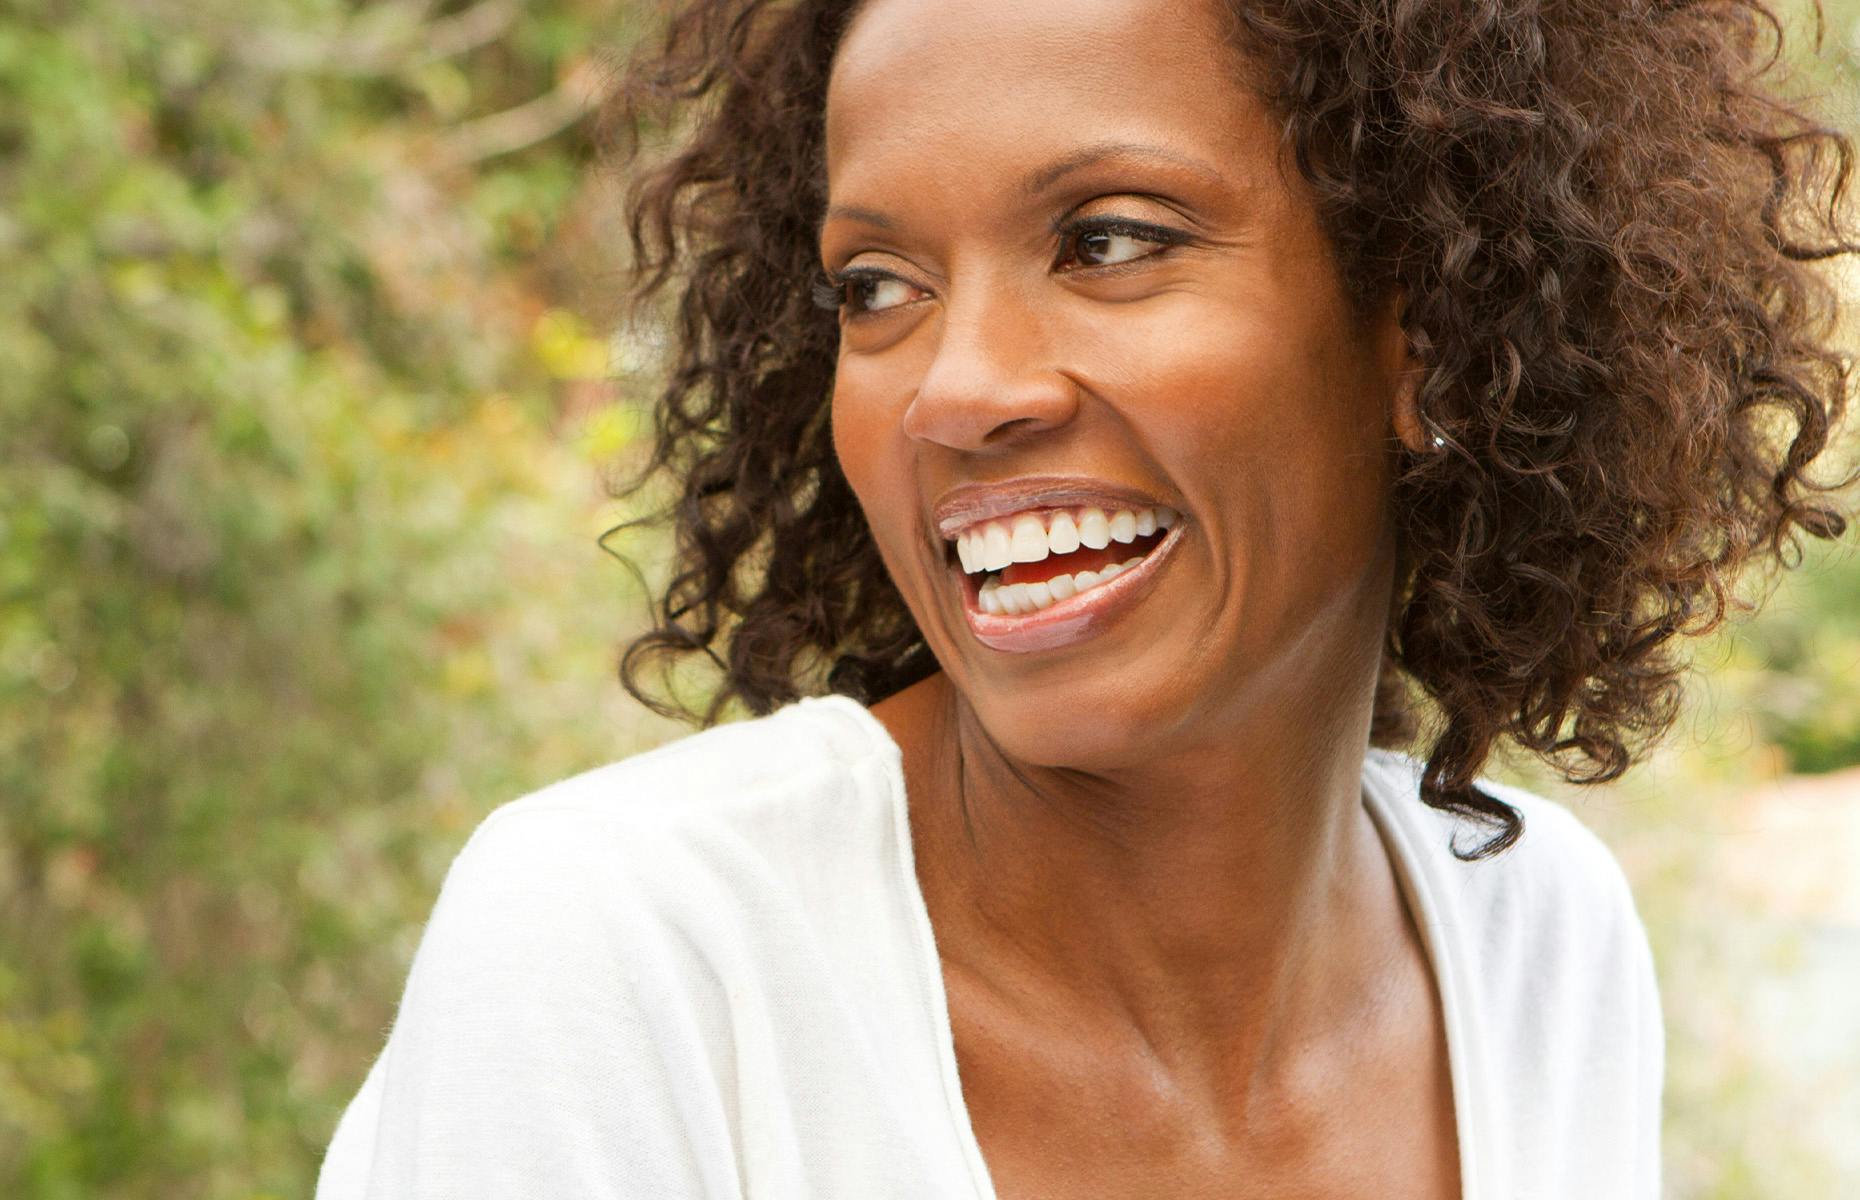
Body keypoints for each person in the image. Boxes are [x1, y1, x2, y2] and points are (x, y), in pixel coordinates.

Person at [316, 0, 1855, 1196]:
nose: (956, 391)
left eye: (1107, 242)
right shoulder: (635, 954)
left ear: (1432, 328)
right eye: (876, 287)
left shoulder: (1541, 950)